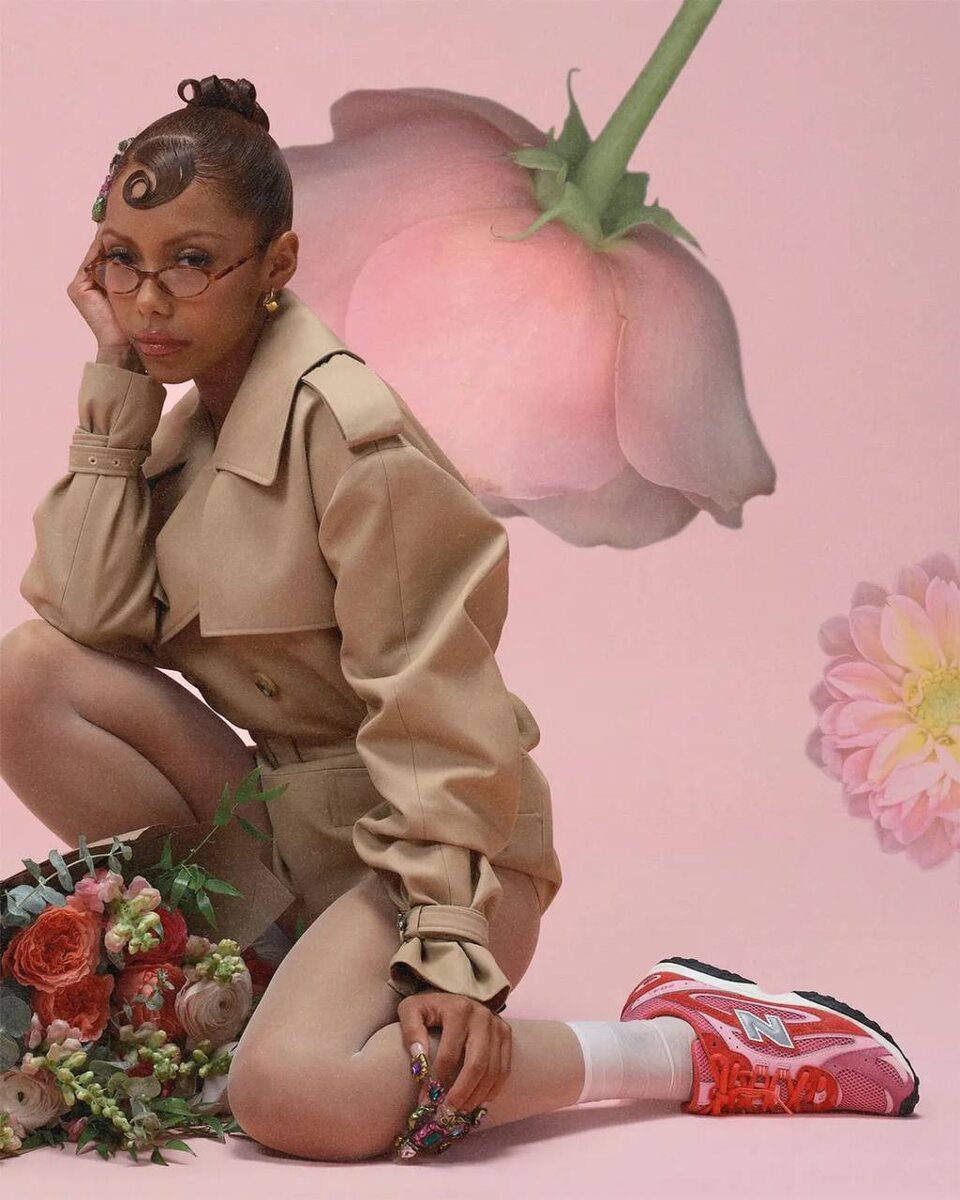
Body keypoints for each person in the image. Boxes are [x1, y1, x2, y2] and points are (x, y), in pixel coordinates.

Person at [0, 75, 919, 1162]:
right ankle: (264, 980)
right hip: (291, 825)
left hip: (436, 840)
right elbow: (87, 616)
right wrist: (116, 386)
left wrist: (445, 942)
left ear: (278, 266)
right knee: (27, 674)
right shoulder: (190, 425)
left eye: (191, 262)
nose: (150, 301)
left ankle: (689, 1044)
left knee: (293, 1097)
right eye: (122, 261)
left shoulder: (353, 440)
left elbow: (439, 704)